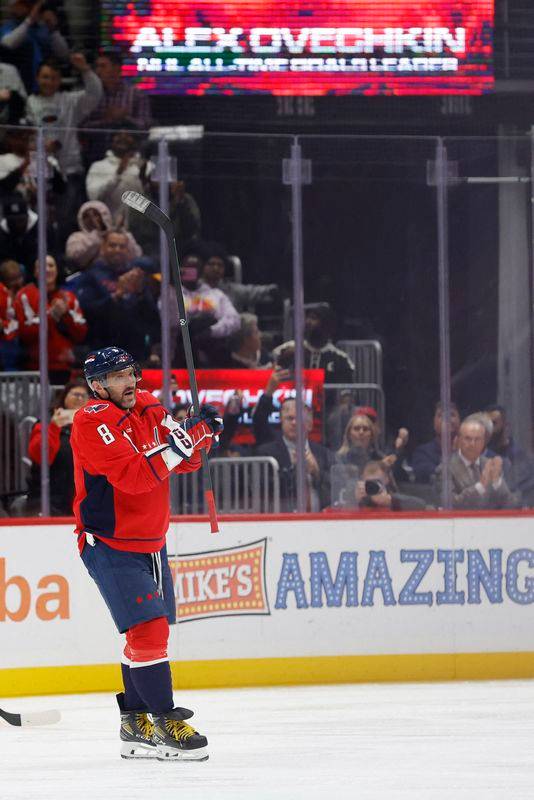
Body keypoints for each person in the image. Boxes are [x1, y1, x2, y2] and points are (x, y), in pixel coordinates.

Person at [71, 346, 223, 760]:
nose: (130, 382)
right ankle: (165, 720)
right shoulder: (92, 421)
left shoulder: (150, 406)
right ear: (97, 385)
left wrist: (202, 433)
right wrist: (183, 444)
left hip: (153, 542)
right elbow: (135, 477)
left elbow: (184, 461)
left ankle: (134, 721)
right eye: (118, 377)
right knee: (151, 631)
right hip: (110, 542)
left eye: (130, 373)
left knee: (146, 635)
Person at [25, 53, 102, 228]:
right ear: (37, 78)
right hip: (40, 170)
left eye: (53, 78)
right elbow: (25, 135)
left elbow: (95, 93)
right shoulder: (30, 102)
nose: (49, 82)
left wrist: (85, 69)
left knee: (66, 217)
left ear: (59, 80)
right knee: (41, 218)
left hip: (70, 169)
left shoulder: (70, 101)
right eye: (45, 77)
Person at [75, 229, 159, 362]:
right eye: (112, 245)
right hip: (101, 351)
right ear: (103, 247)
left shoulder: (135, 275)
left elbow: (152, 317)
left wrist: (140, 292)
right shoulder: (91, 275)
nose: (117, 250)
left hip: (134, 353)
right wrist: (117, 295)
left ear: (128, 250)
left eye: (122, 246)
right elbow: (85, 311)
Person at [15, 254, 87, 382]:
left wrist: (66, 316)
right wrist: (51, 317)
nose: (47, 269)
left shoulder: (68, 297)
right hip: (35, 369)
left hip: (66, 368)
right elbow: (25, 334)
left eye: (51, 265)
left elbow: (81, 334)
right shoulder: (25, 295)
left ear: (57, 270)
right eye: (41, 266)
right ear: (35, 271)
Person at [25, 378, 89, 515]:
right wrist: (54, 427)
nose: (80, 399)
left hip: (83, 501)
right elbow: (40, 457)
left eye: (84, 396)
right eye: (75, 394)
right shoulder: (46, 422)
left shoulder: (93, 426)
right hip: (49, 500)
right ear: (64, 396)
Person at [256, 397, 332, 511]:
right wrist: (292, 469)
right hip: (283, 522)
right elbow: (263, 489)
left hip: (320, 521)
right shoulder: (266, 453)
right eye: (289, 418)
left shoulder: (323, 452)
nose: (294, 423)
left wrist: (316, 472)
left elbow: (334, 487)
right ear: (281, 421)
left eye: (299, 418)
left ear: (309, 423)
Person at [167, 251, 240, 367]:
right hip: (180, 347)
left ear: (202, 271)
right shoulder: (171, 294)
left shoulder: (215, 294)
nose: (192, 272)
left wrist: (211, 331)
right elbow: (172, 321)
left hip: (210, 343)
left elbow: (234, 320)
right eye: (188, 268)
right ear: (181, 269)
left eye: (196, 268)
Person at [434, 416, 520, 510]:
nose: (472, 444)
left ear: (483, 442)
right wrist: (480, 486)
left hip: (492, 523)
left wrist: (497, 483)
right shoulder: (445, 469)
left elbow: (511, 504)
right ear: (458, 440)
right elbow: (450, 504)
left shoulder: (490, 465)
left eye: (477, 439)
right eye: (468, 439)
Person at [272, 303, 355, 384]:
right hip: (294, 397)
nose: (308, 321)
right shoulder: (286, 349)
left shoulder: (340, 359)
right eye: (307, 318)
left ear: (326, 325)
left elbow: (346, 393)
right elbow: (270, 374)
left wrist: (346, 397)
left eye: (313, 318)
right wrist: (284, 358)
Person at [0, 0, 69, 93]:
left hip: (46, 86)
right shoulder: (9, 27)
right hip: (19, 86)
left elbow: (63, 54)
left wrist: (53, 29)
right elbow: (8, 44)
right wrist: (29, 20)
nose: (31, 8)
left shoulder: (44, 29)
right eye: (25, 4)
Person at [82, 50, 151, 136]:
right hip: (97, 144)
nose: (98, 71)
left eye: (103, 66)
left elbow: (144, 126)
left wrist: (124, 118)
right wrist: (106, 121)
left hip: (128, 143)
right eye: (97, 67)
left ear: (117, 68)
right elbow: (81, 127)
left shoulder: (136, 94)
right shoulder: (90, 95)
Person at [85, 130, 146, 222]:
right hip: (108, 227)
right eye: (118, 135)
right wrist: (118, 173)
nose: (123, 137)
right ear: (111, 140)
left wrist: (143, 178)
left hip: (139, 228)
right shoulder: (98, 166)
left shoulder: (145, 166)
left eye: (127, 135)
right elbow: (94, 197)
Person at [200, 242, 277, 313]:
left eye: (220, 265)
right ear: (202, 266)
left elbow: (252, 292)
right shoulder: (193, 288)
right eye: (211, 264)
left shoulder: (232, 290)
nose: (216, 268)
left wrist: (274, 290)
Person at [65, 200, 142, 271]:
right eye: (86, 216)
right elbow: (76, 259)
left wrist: (121, 234)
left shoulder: (119, 234)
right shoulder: (77, 237)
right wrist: (97, 235)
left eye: (96, 214)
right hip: (90, 275)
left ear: (104, 215)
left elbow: (136, 255)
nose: (92, 219)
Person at [411, 401, 461, 484]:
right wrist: (454, 453)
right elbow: (439, 476)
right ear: (434, 424)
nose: (447, 419)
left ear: (460, 421)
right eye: (441, 415)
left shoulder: (474, 450)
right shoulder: (422, 453)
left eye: (452, 415)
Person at [0, 258, 23, 369]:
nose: (17, 282)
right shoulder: (1, 293)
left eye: (19, 277)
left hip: (17, 339)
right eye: (13, 279)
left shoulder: (22, 293)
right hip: (5, 342)